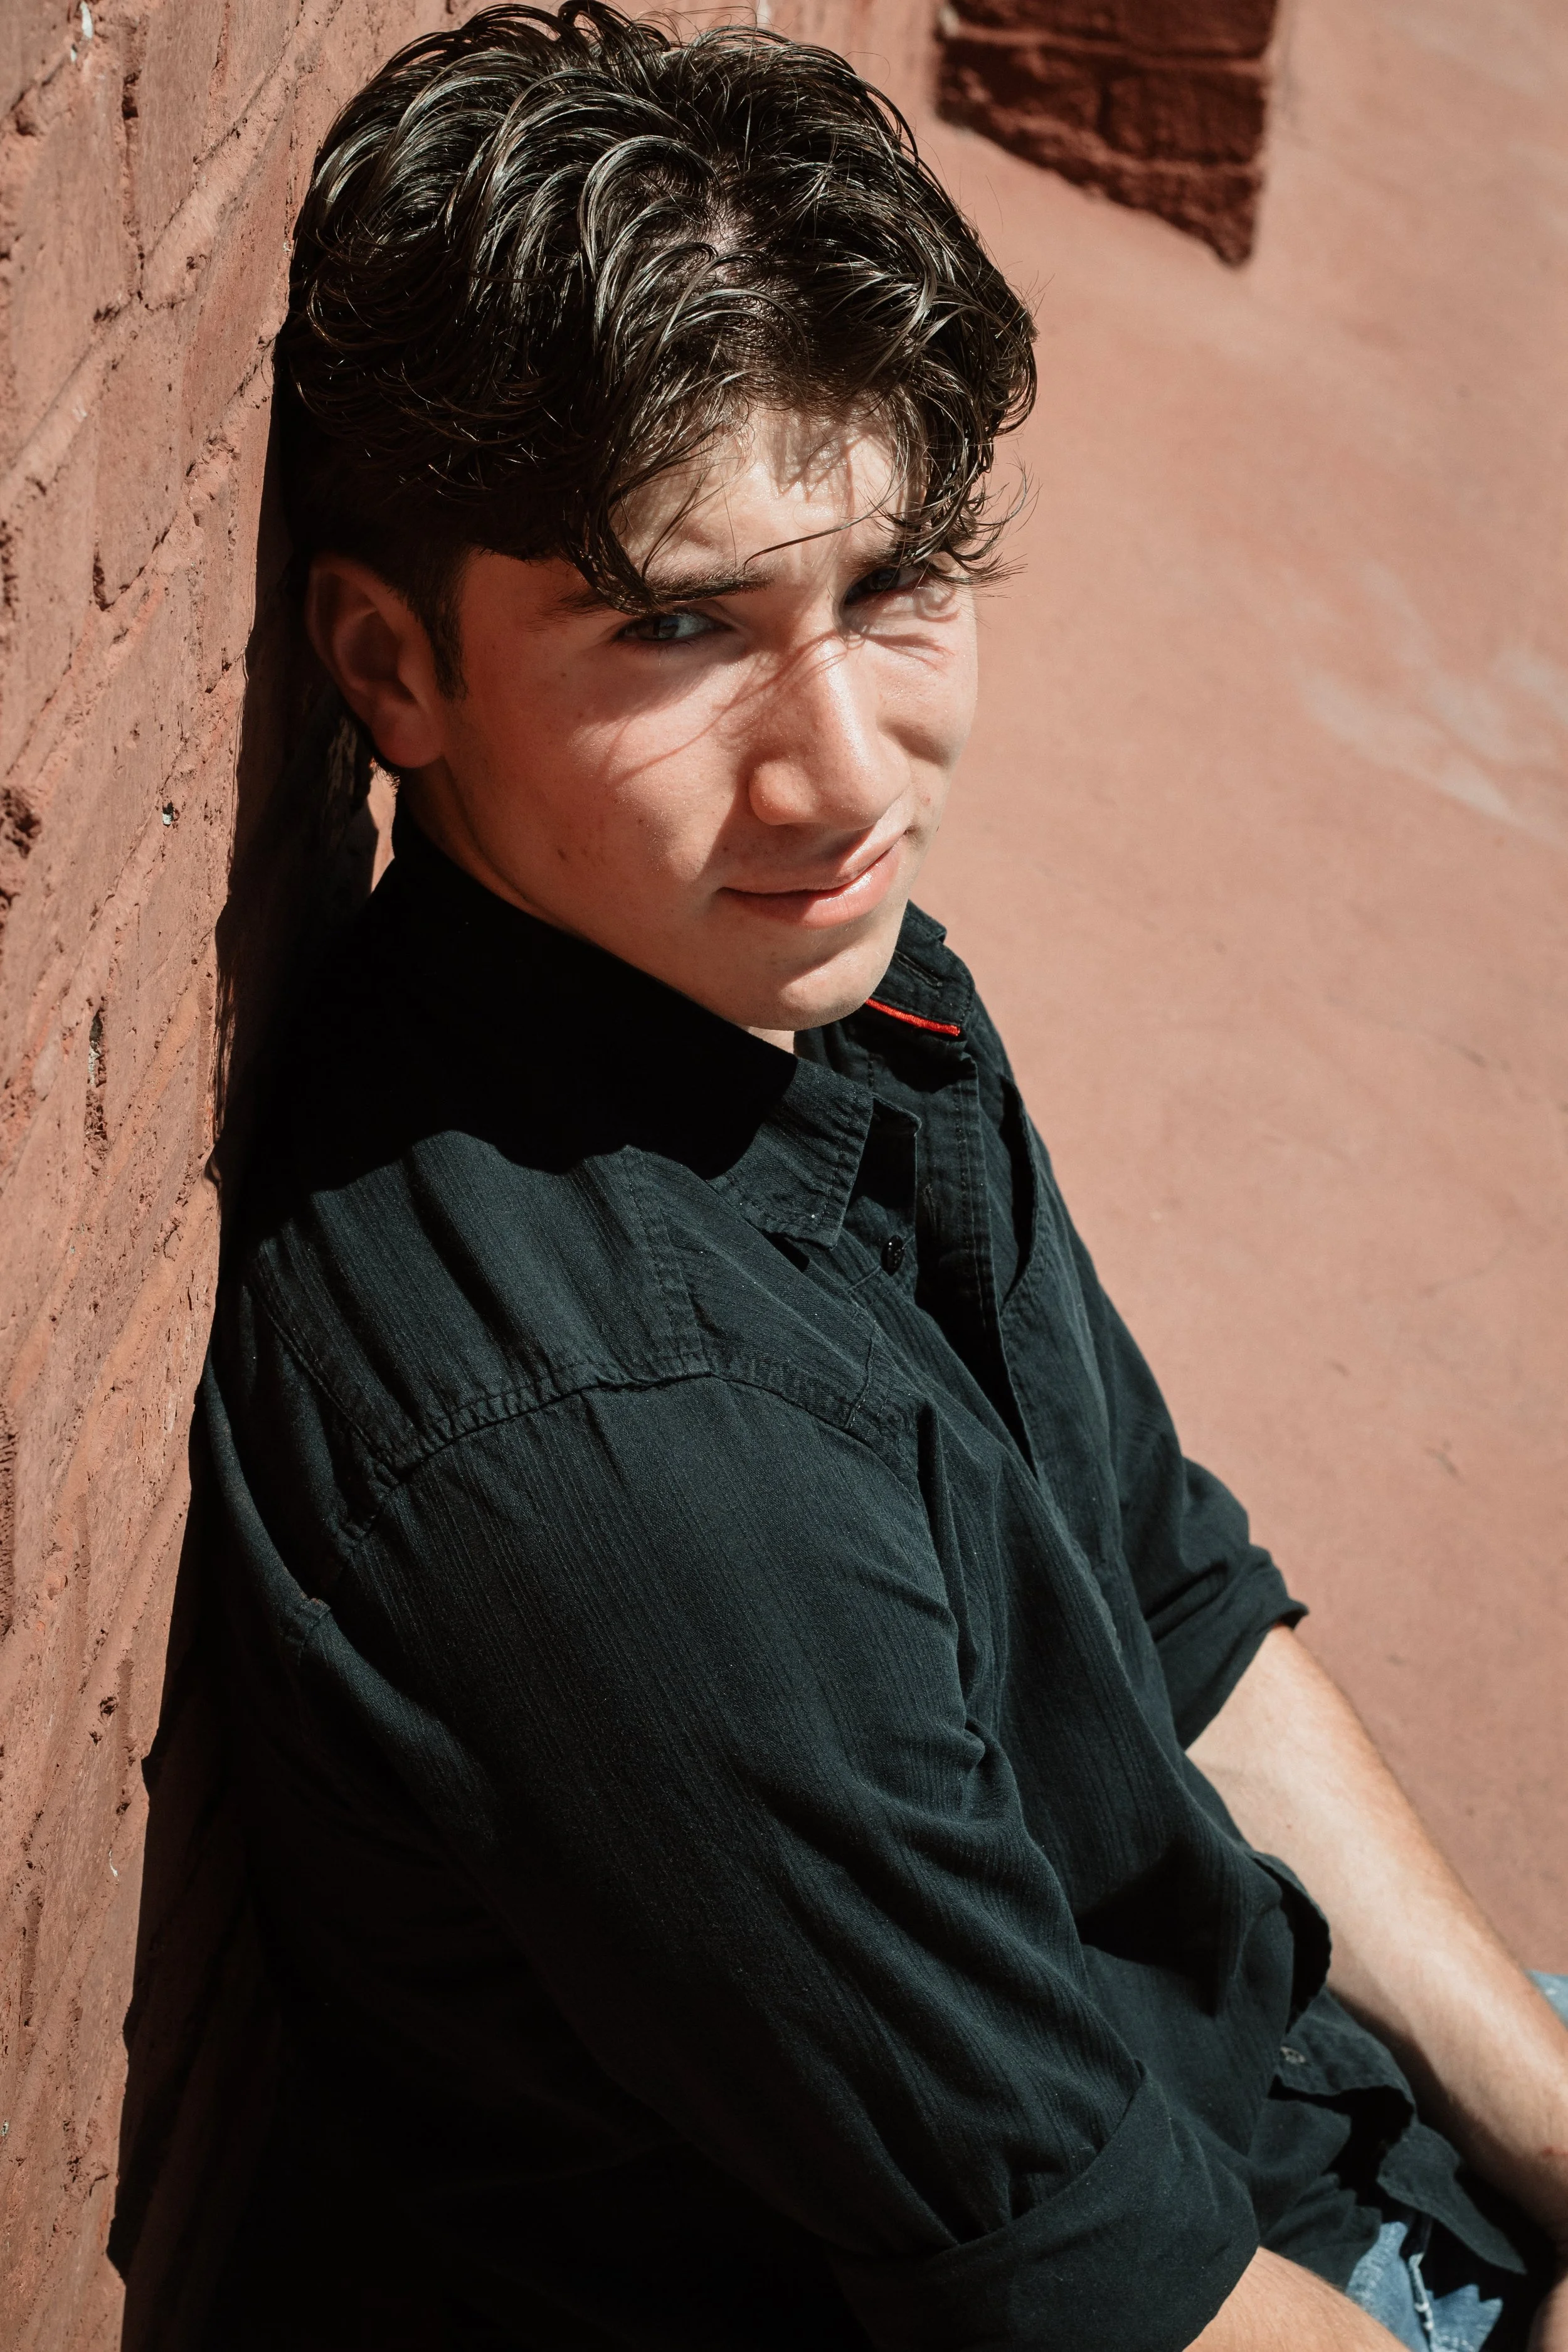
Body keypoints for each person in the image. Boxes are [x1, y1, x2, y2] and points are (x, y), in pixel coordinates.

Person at [200, 7, 1568, 2346]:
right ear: (386, 665)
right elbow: (1101, 2296)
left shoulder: (788, 974)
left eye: (895, 585)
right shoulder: (626, 1492)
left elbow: (1172, 1608)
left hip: (1296, 2084)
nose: (848, 776)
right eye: (676, 624)